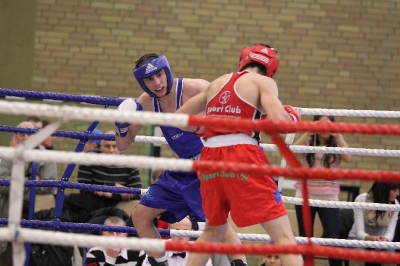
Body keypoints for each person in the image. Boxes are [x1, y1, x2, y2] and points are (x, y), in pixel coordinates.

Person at [175, 43, 303, 266]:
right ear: (272, 68)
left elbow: (178, 119)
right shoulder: (264, 82)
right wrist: (292, 117)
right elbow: (280, 124)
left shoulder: (217, 83)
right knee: (285, 239)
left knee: (212, 232)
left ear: (243, 61)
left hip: (210, 157)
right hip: (243, 156)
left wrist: (211, 128)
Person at [115, 53, 247, 266]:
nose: (157, 83)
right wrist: (121, 125)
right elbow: (122, 145)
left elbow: (237, 111)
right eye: (150, 79)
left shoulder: (195, 88)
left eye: (159, 75)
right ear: (143, 82)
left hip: (208, 164)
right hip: (181, 168)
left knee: (217, 222)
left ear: (166, 71)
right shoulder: (146, 102)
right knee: (140, 216)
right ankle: (161, 263)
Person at [293, 115, 351, 266]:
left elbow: (347, 157)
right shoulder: (309, 141)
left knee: (332, 239)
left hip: (329, 197)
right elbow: (294, 150)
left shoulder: (336, 143)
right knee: (305, 238)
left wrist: (338, 134)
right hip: (305, 196)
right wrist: (308, 132)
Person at [0, 121, 58, 265]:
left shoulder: (47, 157)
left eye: (30, 134)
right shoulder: (6, 156)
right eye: (21, 134)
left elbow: (48, 188)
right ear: (15, 136)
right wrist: (31, 181)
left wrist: (16, 183)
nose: (26, 137)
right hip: (9, 215)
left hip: (38, 216)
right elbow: (2, 184)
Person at [78, 130, 142, 206]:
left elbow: (137, 194)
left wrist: (111, 194)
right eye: (107, 146)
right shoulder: (89, 158)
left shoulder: (129, 162)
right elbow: (84, 190)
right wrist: (114, 186)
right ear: (101, 146)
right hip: (94, 207)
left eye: (115, 146)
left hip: (121, 207)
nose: (111, 150)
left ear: (120, 147)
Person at [348, 182, 399, 266]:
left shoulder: (395, 205)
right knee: (358, 250)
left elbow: (390, 234)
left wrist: (383, 240)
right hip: (358, 238)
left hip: (382, 240)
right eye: (394, 190)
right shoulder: (361, 199)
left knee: (391, 253)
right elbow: (359, 232)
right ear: (384, 190)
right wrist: (373, 239)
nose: (397, 193)